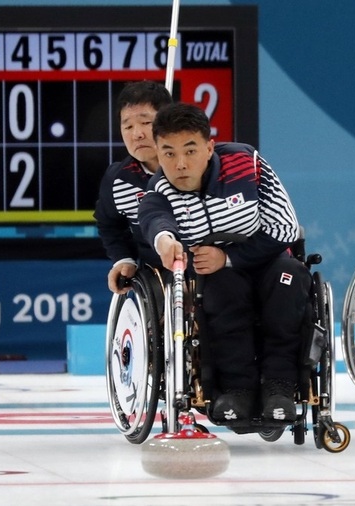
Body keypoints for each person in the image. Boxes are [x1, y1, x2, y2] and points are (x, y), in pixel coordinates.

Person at [138, 102, 309, 423]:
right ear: (158, 154)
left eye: (190, 151)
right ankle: (236, 390)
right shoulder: (160, 188)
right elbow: (154, 220)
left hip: (269, 262)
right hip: (215, 276)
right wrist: (166, 242)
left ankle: (280, 387)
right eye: (169, 153)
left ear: (209, 148)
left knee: (290, 276)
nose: (180, 164)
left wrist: (229, 257)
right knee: (219, 287)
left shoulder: (247, 164)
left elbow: (285, 227)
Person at [94, 80, 172, 294]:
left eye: (146, 123)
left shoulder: (193, 169)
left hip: (202, 266)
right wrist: (124, 259)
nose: (136, 134)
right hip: (154, 274)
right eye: (127, 126)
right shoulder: (118, 179)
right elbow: (109, 225)